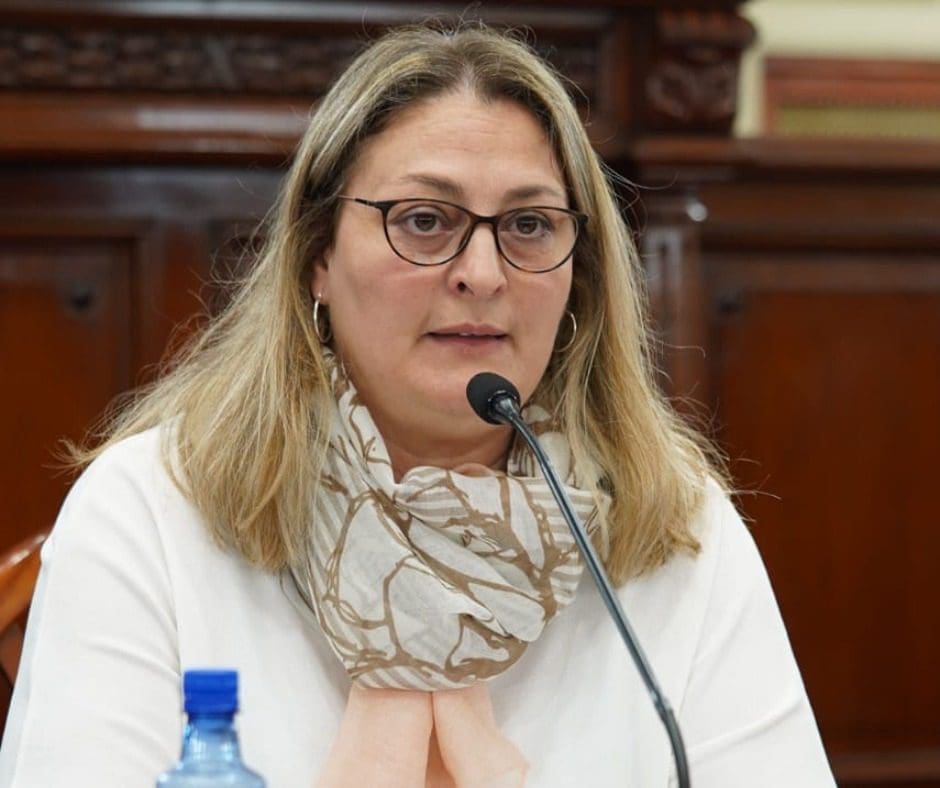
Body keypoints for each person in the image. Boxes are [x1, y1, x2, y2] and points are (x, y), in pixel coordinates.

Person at [0, 22, 835, 788]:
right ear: (317, 258)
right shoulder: (150, 512)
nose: (483, 273)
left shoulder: (677, 525)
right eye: (425, 220)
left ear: (579, 277)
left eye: (530, 226)